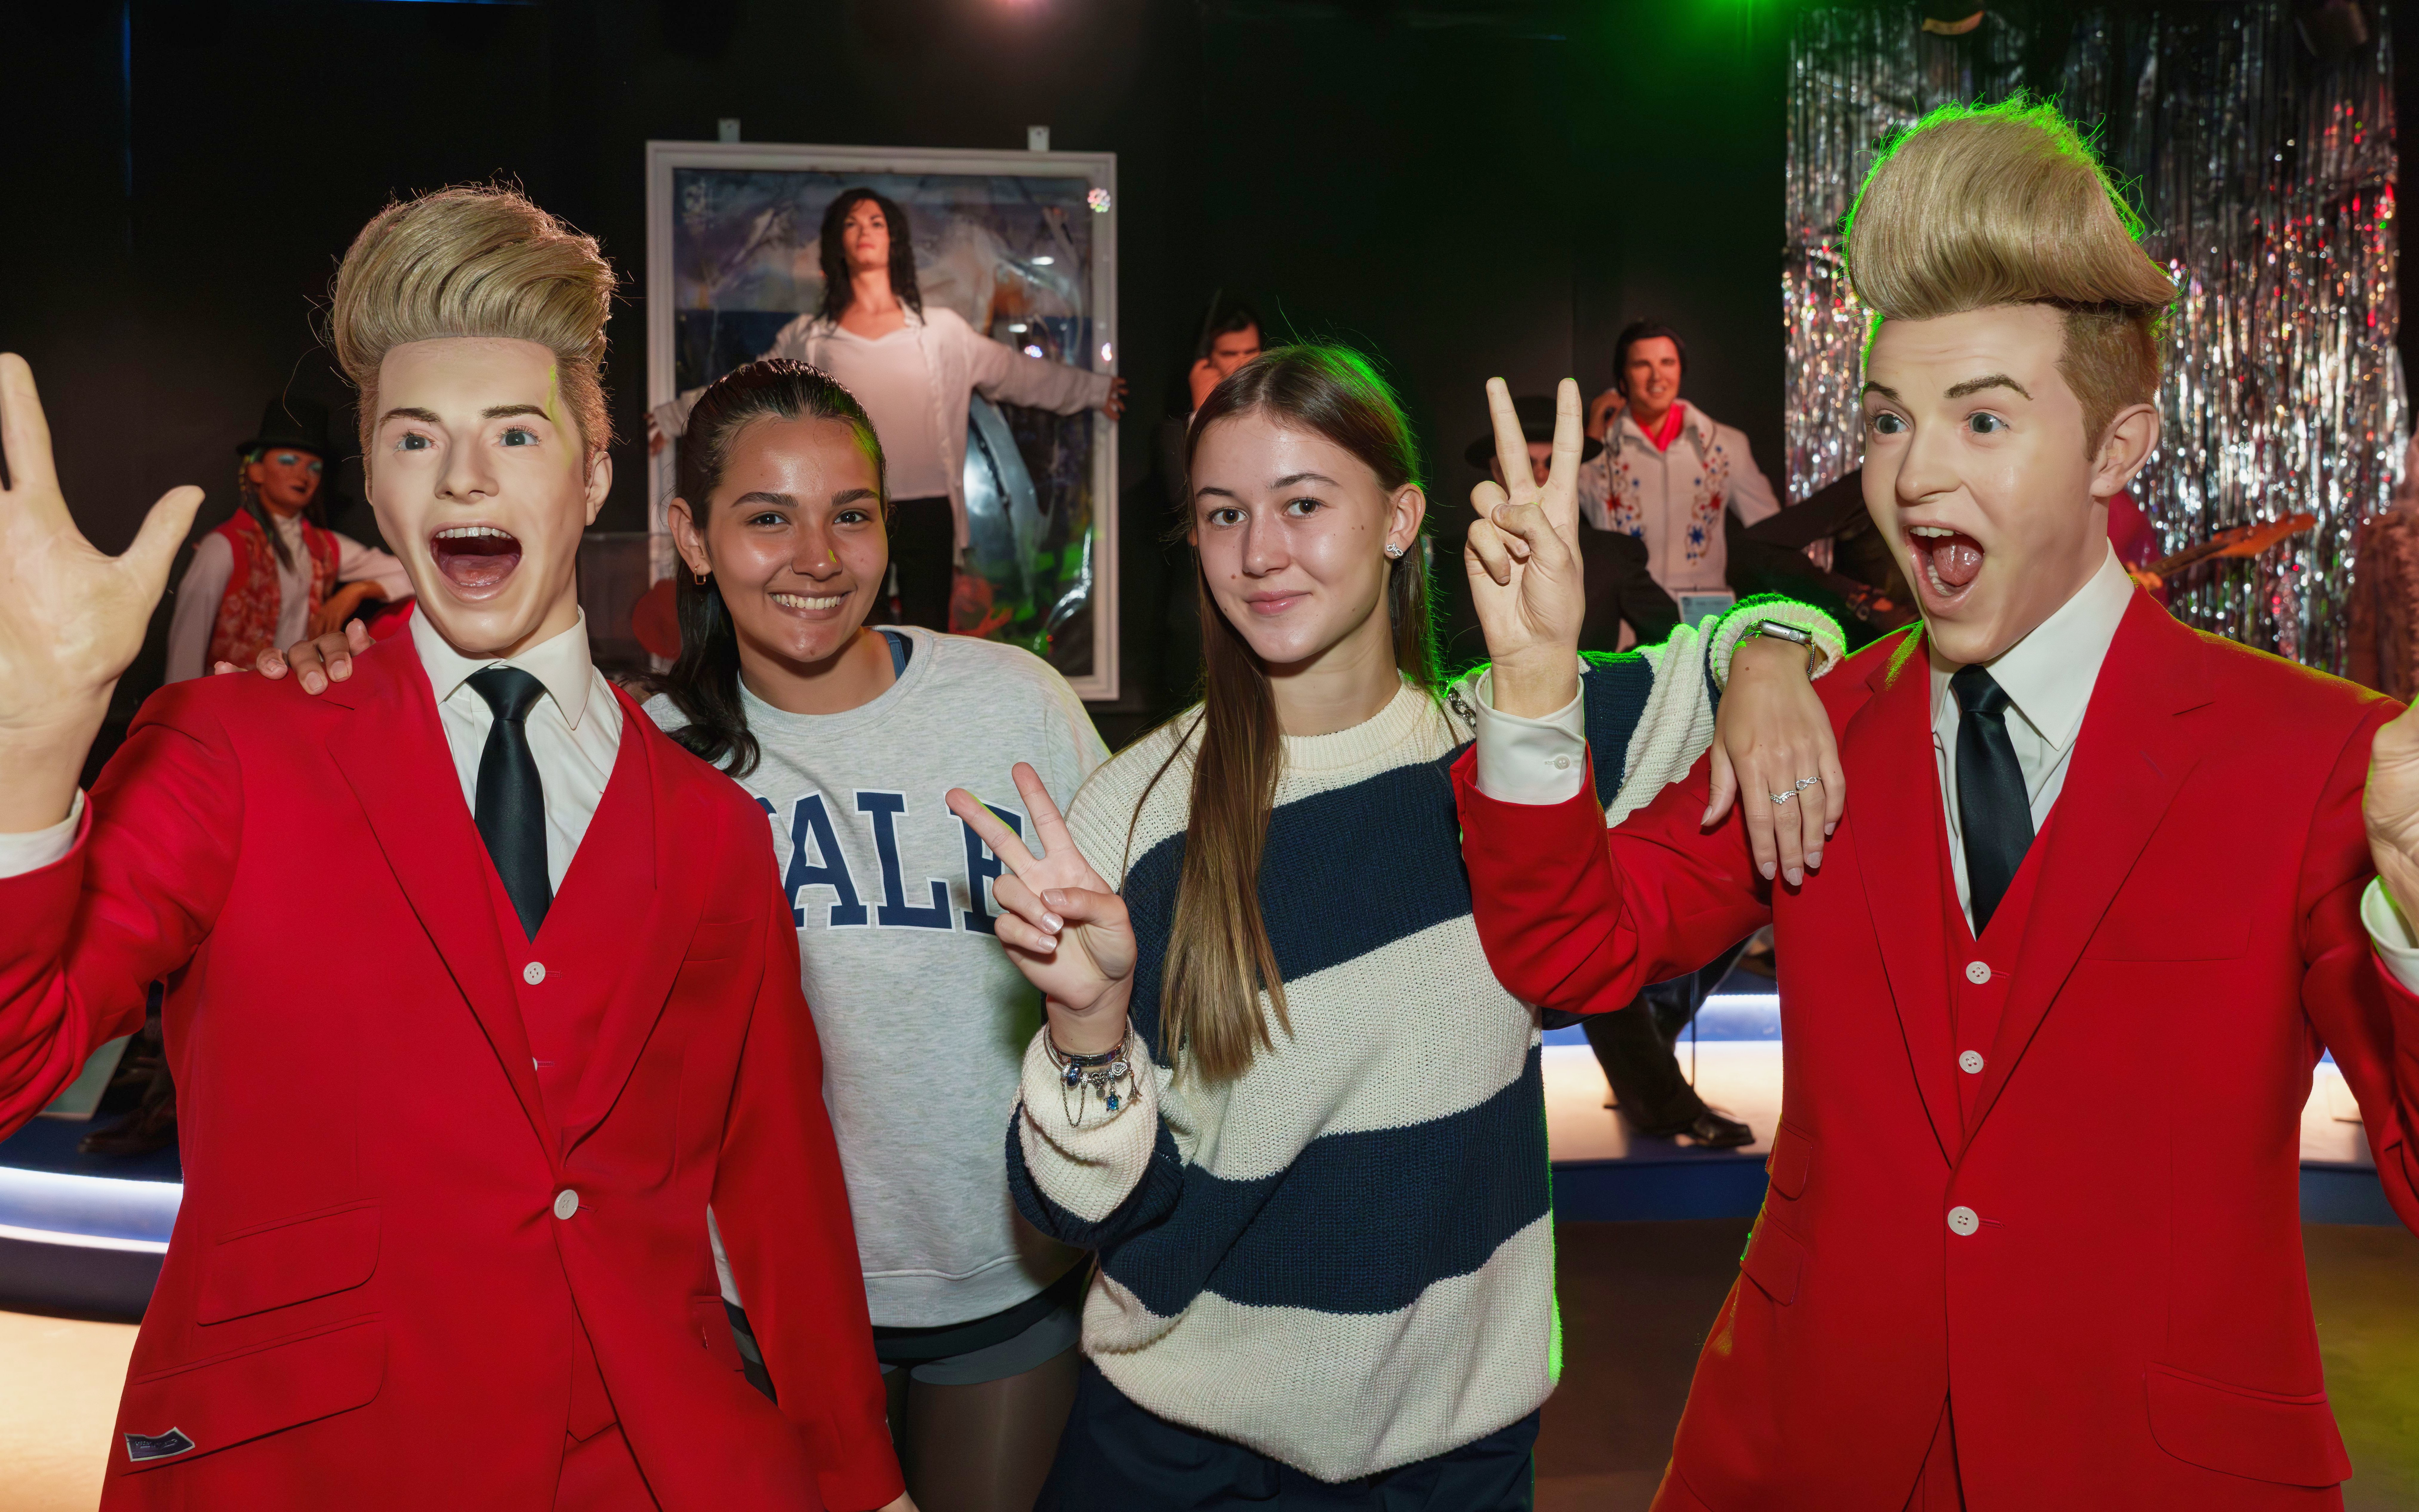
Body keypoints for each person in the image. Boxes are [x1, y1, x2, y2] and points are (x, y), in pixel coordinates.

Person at [1453, 99, 2419, 1508]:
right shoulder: (1814, 726)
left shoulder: (2317, 757)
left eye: (1982, 418)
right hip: (1807, 1457)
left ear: (2113, 447)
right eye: (1888, 420)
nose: (1912, 475)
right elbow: (1566, 949)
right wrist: (1536, 684)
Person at [0, 187, 906, 1511]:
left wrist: (860, 1477)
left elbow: (782, 1188)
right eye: (415, 438)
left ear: (594, 474)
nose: (464, 478)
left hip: (649, 1458)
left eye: (514, 434)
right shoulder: (234, 749)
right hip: (302, 1466)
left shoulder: (714, 830)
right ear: (374, 480)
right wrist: (28, 756)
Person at [940, 346, 1845, 1510]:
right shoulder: (1133, 814)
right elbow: (1078, 1209)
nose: (1258, 552)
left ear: (1399, 519)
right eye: (1222, 514)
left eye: (1301, 504)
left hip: (1449, 1458)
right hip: (1181, 1452)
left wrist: (1767, 653)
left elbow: (1756, 633)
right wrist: (1083, 1030)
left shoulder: (1510, 743)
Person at [653, 188, 1126, 634]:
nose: (865, 231)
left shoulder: (941, 333)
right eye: (852, 223)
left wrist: (1094, 390)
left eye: (876, 222)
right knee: (854, 629)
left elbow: (1019, 374)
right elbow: (748, 388)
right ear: (837, 243)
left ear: (893, 239)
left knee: (926, 633)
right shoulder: (811, 338)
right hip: (847, 509)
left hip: (928, 510)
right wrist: (672, 416)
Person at [1471, 397, 1745, 1146]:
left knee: (1645, 920)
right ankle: (1660, 1092)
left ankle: (1655, 1057)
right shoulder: (1456, 556)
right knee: (1584, 935)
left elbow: (1676, 643)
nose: (1531, 475)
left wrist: (1595, 680)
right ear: (1492, 470)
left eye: (1544, 462)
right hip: (1480, 777)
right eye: (1518, 462)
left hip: (1596, 767)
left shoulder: (1612, 555)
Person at [163, 394, 411, 682]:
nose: (303, 475)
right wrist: (184, 706)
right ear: (257, 471)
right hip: (232, 693)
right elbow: (188, 644)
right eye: (288, 461)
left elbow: (412, 572)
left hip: (301, 689)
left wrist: (357, 590)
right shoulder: (224, 546)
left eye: (314, 468)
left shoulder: (324, 546)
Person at [1577, 321, 1797, 616]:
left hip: (1701, 617)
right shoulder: (1598, 451)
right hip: (1623, 619)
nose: (1657, 376)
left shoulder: (1725, 444)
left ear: (1681, 370)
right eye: (1642, 365)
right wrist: (1592, 436)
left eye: (1667, 363)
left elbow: (1772, 532)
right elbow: (1564, 509)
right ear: (1622, 379)